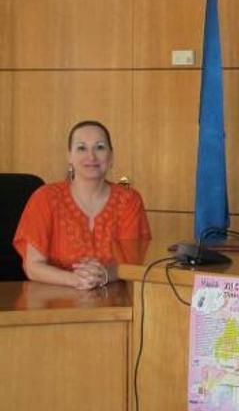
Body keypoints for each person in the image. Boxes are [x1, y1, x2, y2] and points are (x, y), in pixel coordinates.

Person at [13, 120, 151, 290]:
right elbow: (33, 267)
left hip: (114, 300)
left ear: (111, 156)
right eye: (81, 148)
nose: (91, 156)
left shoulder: (129, 200)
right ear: (69, 156)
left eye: (99, 147)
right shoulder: (45, 197)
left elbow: (132, 265)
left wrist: (104, 275)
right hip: (52, 302)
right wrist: (75, 280)